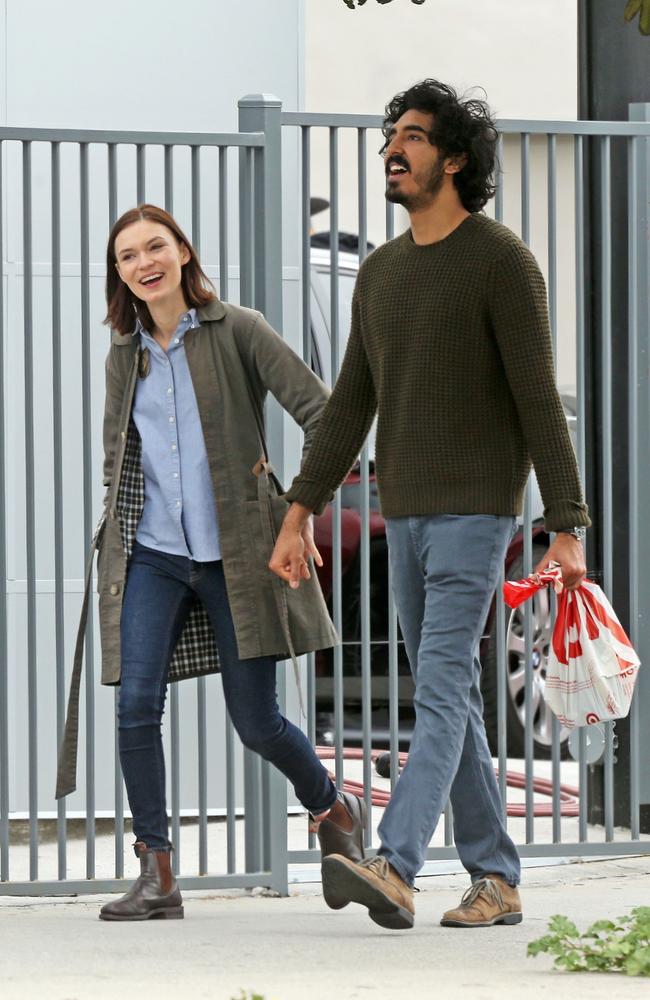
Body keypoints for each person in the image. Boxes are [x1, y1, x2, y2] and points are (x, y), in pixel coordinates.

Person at [270, 79, 590, 931]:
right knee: (452, 694)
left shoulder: (500, 261)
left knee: (442, 684)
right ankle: (497, 876)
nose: (391, 150)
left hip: (476, 513)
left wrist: (566, 526)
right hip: (404, 510)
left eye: (410, 136)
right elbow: (348, 407)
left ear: (453, 157)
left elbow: (534, 398)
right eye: (389, 137)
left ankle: (396, 864)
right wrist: (299, 511)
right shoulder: (378, 274)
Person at [55, 204, 366, 921]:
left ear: (183, 252)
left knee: (257, 724)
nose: (143, 262)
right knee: (135, 706)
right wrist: (119, 544)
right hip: (155, 555)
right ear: (121, 275)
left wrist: (297, 513)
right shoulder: (123, 356)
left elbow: (325, 416)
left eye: (154, 246)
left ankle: (332, 807)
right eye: (128, 255)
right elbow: (117, 462)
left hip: (238, 555)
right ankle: (158, 875)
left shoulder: (239, 330)